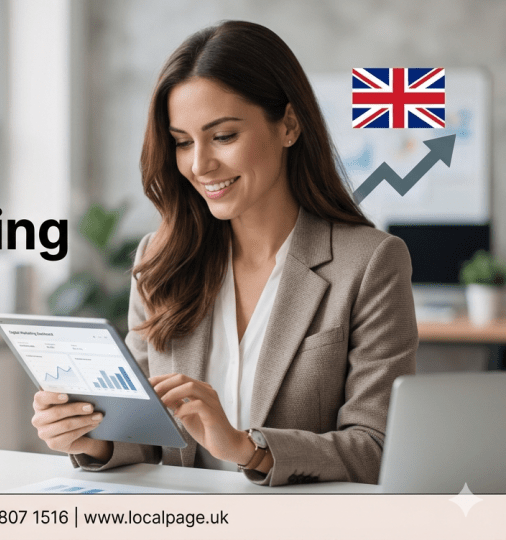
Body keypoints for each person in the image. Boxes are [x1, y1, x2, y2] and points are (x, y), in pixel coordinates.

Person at [30, 20, 417, 486]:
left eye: (224, 136)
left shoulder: (370, 262)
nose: (199, 164)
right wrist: (92, 437)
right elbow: (146, 431)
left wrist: (247, 448)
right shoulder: (159, 260)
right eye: (182, 142)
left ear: (289, 125)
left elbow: (377, 447)